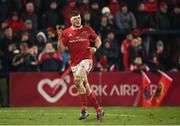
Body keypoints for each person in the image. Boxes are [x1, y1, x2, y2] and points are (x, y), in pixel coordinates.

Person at [56, 10, 104, 121]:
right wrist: (59, 38)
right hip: (74, 63)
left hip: (87, 60)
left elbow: (98, 40)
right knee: (85, 87)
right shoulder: (66, 32)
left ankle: (84, 110)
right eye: (75, 19)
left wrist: (95, 48)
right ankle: (99, 110)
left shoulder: (87, 29)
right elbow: (61, 50)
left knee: (77, 80)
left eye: (79, 18)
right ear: (71, 20)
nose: (78, 20)